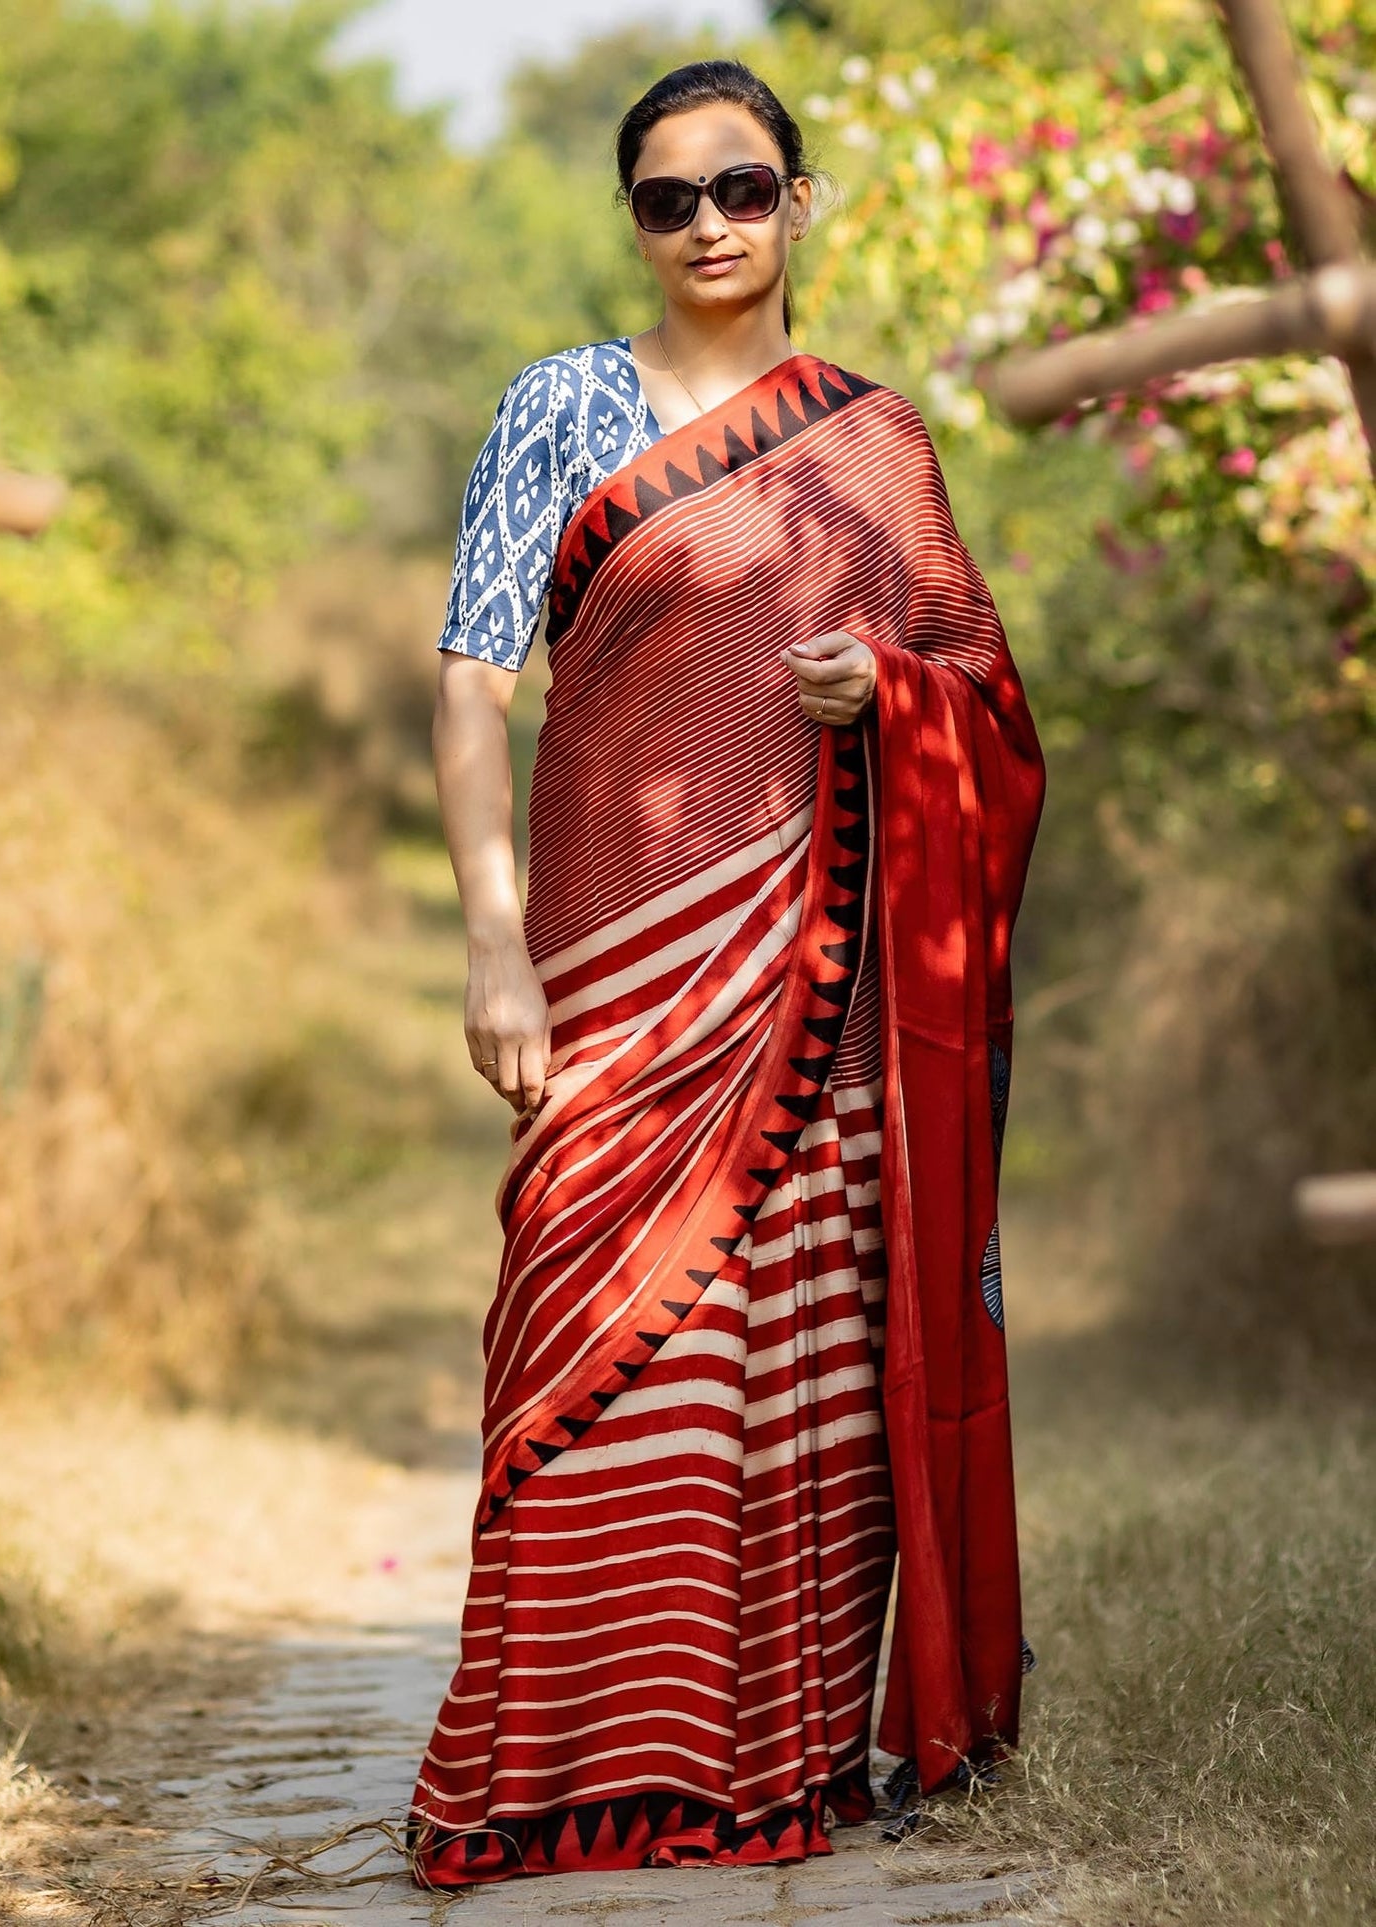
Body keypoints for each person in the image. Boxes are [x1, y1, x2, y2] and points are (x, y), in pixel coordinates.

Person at [405, 57, 1046, 1889]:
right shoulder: (561, 409)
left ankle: (768, 1766)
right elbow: (471, 678)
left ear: (798, 201)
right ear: (632, 221)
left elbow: (988, 703)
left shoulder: (876, 440)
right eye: (668, 199)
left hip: (816, 984)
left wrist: (894, 699)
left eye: (741, 189)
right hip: (611, 972)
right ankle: (548, 1777)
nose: (707, 226)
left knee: (798, 1356)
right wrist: (488, 942)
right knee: (575, 1341)